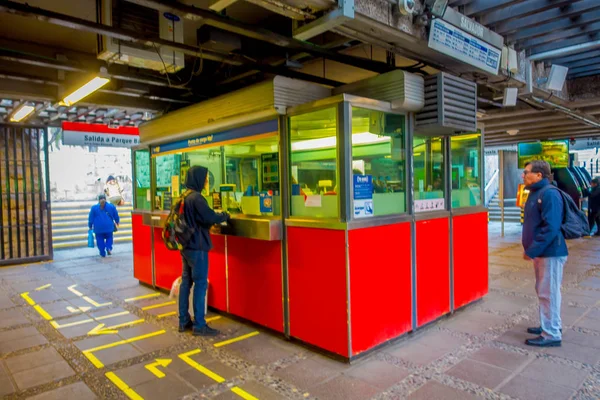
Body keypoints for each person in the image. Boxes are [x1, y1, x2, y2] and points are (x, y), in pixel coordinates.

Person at [178, 166, 229, 336]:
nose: (206, 181)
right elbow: (210, 217)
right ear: (198, 179)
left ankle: (184, 320)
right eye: (205, 178)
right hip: (197, 246)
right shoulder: (197, 198)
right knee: (200, 283)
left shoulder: (183, 196)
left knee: (186, 282)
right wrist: (224, 215)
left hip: (185, 245)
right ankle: (199, 325)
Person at [521, 160, 568, 347]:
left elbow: (551, 227)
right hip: (543, 252)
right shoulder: (536, 193)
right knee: (544, 290)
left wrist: (532, 249)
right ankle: (548, 324)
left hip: (551, 252)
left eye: (526, 172)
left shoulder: (549, 194)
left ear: (539, 175)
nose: (523, 175)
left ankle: (551, 333)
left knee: (549, 292)